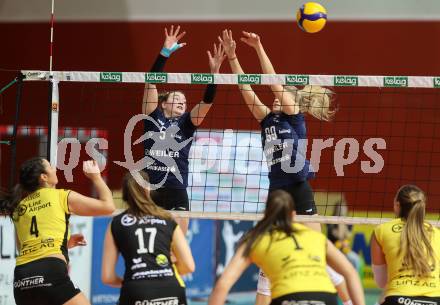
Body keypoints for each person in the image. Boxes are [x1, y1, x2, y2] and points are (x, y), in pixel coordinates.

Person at [218, 30, 351, 305]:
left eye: (282, 95)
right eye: (277, 96)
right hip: (276, 194)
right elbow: (245, 88)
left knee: (318, 252)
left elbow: (273, 83)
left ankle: (349, 301)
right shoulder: (267, 119)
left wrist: (259, 47)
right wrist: (232, 57)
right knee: (268, 260)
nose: (276, 97)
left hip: (299, 189)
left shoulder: (295, 119)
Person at [208, 190, 364, 305]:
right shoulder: (316, 238)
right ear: (294, 214)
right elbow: (350, 272)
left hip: (289, 298)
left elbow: (223, 285)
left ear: (266, 213)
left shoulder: (257, 239)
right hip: (326, 298)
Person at [142, 25, 226, 233]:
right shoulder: (152, 116)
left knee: (179, 243)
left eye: (184, 101)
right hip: (152, 189)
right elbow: (150, 83)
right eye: (176, 99)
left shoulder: (187, 123)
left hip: (178, 189)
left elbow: (206, 102)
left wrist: (214, 74)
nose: (182, 102)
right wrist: (164, 53)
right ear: (164, 103)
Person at [0, 157, 115, 305]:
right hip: (50, 272)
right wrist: (96, 177)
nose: (55, 168)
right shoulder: (60, 196)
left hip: (22, 279)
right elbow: (108, 207)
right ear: (44, 177)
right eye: (50, 166)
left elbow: (24, 248)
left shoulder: (20, 208)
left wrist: (64, 243)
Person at [101, 171, 195, 305]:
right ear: (149, 189)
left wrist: (135, 280)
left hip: (136, 290)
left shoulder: (116, 223)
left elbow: (107, 277)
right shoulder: (168, 219)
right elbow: (189, 266)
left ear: (125, 194)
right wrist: (162, 273)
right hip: (171, 289)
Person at [371, 185, 440, 305]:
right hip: (435, 300)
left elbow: (381, 282)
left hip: (398, 299)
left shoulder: (381, 231)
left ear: (398, 205)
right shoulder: (437, 233)